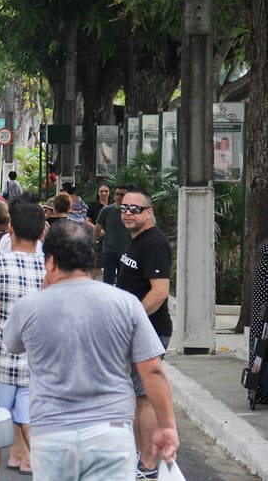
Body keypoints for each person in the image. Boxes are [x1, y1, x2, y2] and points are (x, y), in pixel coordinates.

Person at [3, 222, 179, 479]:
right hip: (110, 433)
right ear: (91, 261)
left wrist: (44, 288)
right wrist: (167, 426)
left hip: (52, 433)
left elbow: (12, 344)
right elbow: (152, 370)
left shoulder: (28, 308)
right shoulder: (126, 304)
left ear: (50, 262)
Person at [0, 200, 46, 478]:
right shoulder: (51, 269)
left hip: (0, 366)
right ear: (43, 233)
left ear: (11, 229)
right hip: (37, 367)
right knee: (32, 427)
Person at [115, 186, 172, 479]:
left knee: (145, 397)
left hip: (150, 331)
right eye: (124, 207)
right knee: (138, 398)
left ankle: (148, 465)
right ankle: (142, 458)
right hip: (133, 331)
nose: (128, 213)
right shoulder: (135, 240)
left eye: (135, 209)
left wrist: (132, 321)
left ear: (149, 213)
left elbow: (160, 292)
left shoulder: (155, 244)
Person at [94, 185, 129, 284]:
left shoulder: (130, 212)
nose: (119, 196)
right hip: (109, 250)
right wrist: (95, 242)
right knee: (108, 280)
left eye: (122, 195)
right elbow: (98, 227)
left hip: (126, 251)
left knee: (124, 280)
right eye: (117, 194)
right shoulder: (106, 210)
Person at [249, 238, 268, 406]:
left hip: (260, 311)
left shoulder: (263, 251)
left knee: (259, 349)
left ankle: (257, 389)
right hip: (264, 309)